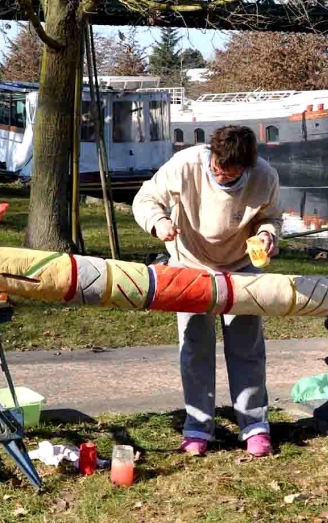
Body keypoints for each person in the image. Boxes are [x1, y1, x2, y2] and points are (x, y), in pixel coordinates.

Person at [132, 125, 283, 458]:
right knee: (195, 348)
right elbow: (145, 198)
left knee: (247, 349)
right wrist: (158, 221)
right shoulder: (185, 165)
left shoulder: (264, 177)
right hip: (190, 266)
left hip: (240, 268)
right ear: (211, 155)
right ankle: (198, 427)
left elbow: (271, 218)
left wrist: (269, 235)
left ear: (247, 166)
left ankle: (255, 427)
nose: (221, 176)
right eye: (216, 169)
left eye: (230, 175)